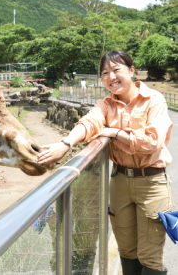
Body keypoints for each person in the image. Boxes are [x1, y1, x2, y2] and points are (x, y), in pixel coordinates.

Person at [37, 50, 174, 275]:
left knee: (150, 256)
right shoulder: (106, 104)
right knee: (127, 250)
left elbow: (152, 143)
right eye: (105, 73)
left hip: (151, 183)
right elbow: (90, 122)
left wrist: (113, 131)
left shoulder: (154, 100)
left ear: (131, 71)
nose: (111, 77)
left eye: (116, 70)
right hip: (119, 182)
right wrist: (66, 143)